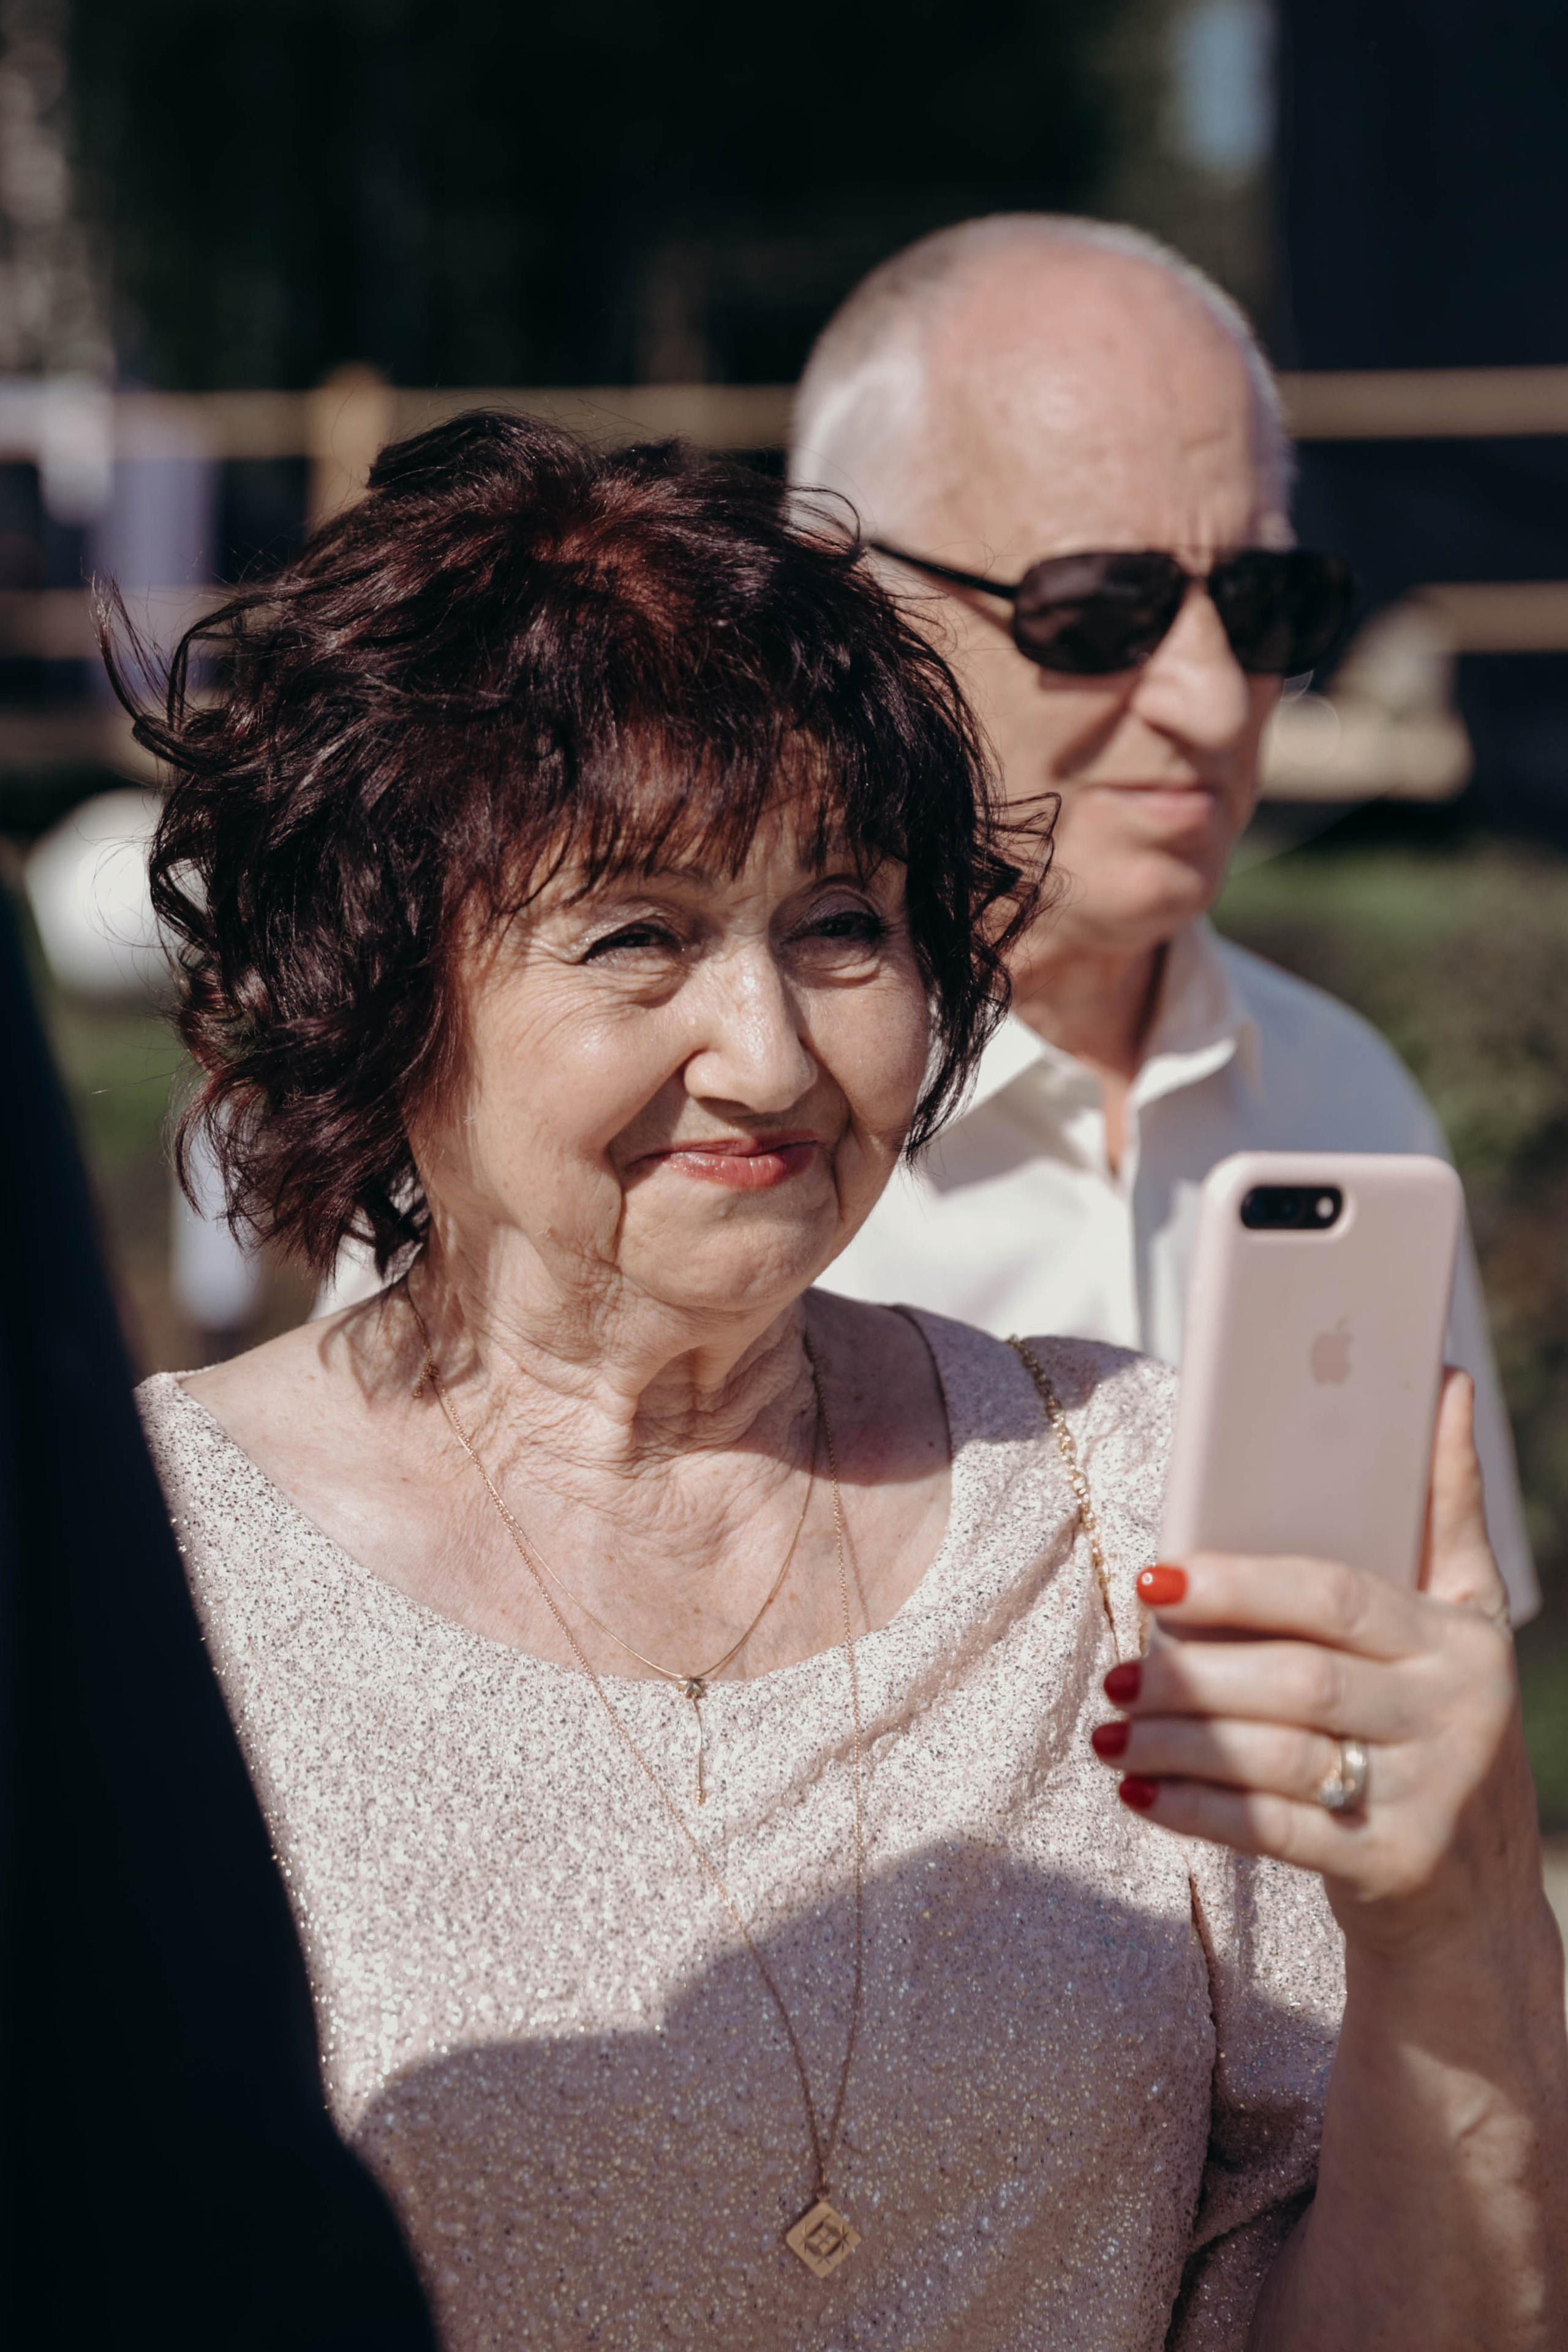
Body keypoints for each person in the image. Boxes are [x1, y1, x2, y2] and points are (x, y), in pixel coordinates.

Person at [126, 413, 1566, 2352]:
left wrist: (1454, 1935)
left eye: (840, 927)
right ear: (377, 991)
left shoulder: (1117, 1503)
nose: (772, 1053)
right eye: (636, 936)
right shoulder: (144, 1583)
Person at [788, 214, 1539, 1623]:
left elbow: (1451, 1699)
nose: (1207, 701)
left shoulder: (1343, 1101)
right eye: (1097, 609)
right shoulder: (669, 1140)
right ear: (851, 603)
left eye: (1261, 601)